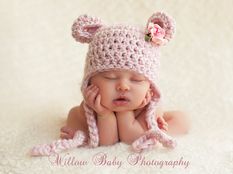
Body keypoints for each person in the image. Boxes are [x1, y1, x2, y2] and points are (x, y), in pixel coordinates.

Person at [31, 12, 189, 156]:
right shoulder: (88, 110)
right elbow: (107, 143)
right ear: (90, 80)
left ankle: (160, 131)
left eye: (136, 80)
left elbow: (131, 139)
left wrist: (126, 113)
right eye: (110, 77)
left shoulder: (147, 109)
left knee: (181, 120)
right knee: (73, 116)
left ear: (150, 86)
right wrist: (103, 114)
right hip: (93, 118)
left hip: (148, 118)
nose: (123, 86)